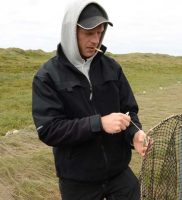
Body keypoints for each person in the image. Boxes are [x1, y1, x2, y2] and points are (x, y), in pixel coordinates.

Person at [32, 0, 150, 199]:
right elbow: (49, 131)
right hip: (77, 181)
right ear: (71, 32)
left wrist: (134, 135)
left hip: (118, 173)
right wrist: (99, 123)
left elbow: (129, 110)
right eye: (89, 33)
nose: (95, 40)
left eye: (99, 32)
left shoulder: (112, 68)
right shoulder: (47, 76)